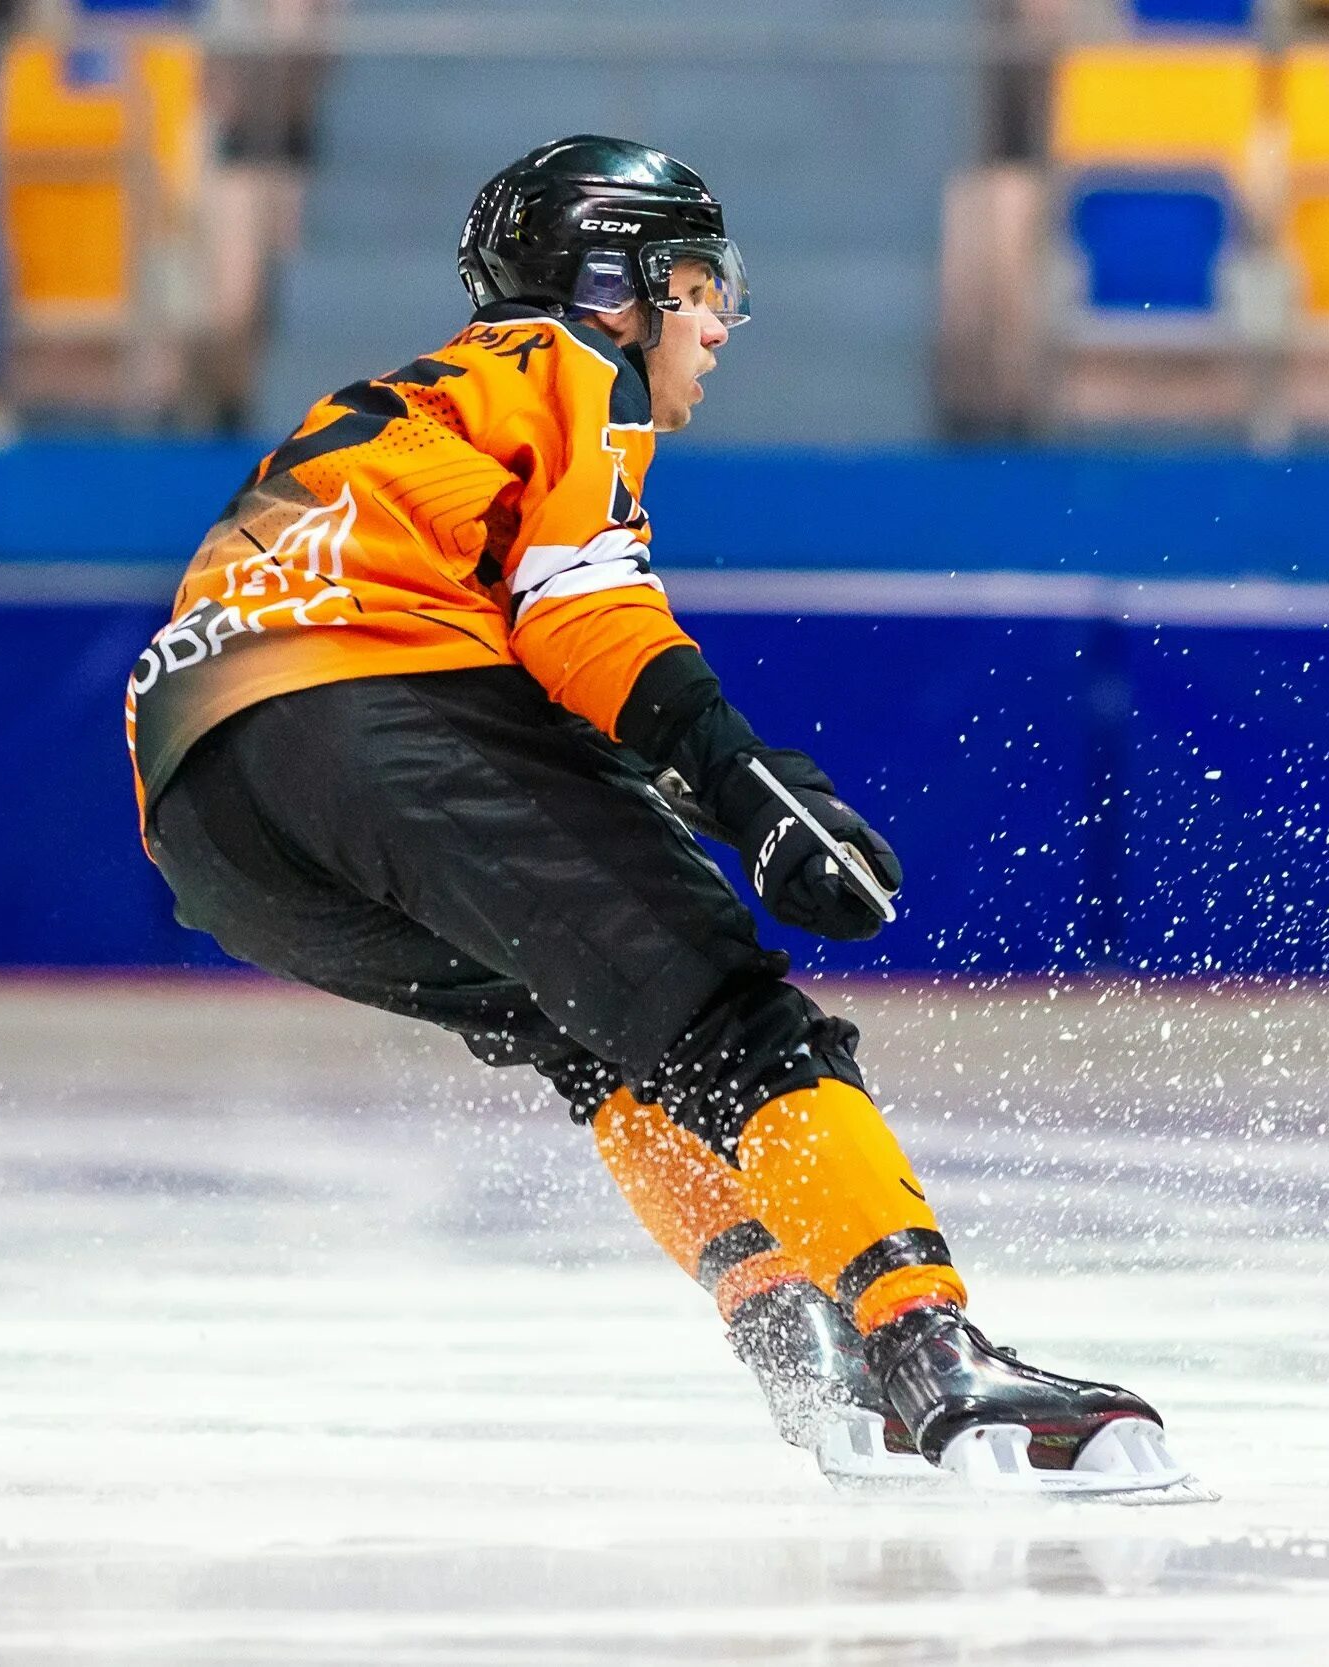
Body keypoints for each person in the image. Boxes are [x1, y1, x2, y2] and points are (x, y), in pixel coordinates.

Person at [122, 136, 1194, 1497]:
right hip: (371, 699)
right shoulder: (567, 364)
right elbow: (581, 608)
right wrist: (743, 784)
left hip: (202, 804)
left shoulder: (394, 404)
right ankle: (929, 1347)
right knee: (736, 1023)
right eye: (700, 279)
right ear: (615, 279)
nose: (719, 317)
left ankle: (790, 1329)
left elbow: (466, 643)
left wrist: (669, 780)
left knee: (600, 1035)